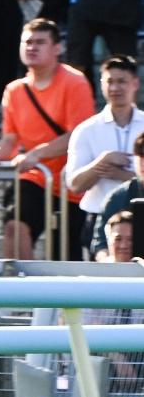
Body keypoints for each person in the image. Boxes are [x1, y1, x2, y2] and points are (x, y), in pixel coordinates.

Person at [0, 18, 95, 259]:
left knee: (66, 257)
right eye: (27, 42)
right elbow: (10, 140)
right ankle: (21, 294)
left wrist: (36, 153)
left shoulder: (75, 82)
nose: (32, 47)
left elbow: (78, 135)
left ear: (57, 48)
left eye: (40, 42)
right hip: (35, 177)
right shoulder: (14, 90)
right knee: (14, 225)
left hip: (73, 182)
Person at [66, 55, 144, 255]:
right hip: (98, 217)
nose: (115, 88)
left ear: (135, 84)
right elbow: (75, 184)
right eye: (109, 81)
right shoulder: (86, 130)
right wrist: (102, 162)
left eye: (121, 82)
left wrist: (125, 176)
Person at [90, 132, 144, 260]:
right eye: (139, 155)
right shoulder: (118, 198)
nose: (143, 162)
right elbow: (101, 245)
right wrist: (109, 266)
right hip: (128, 272)